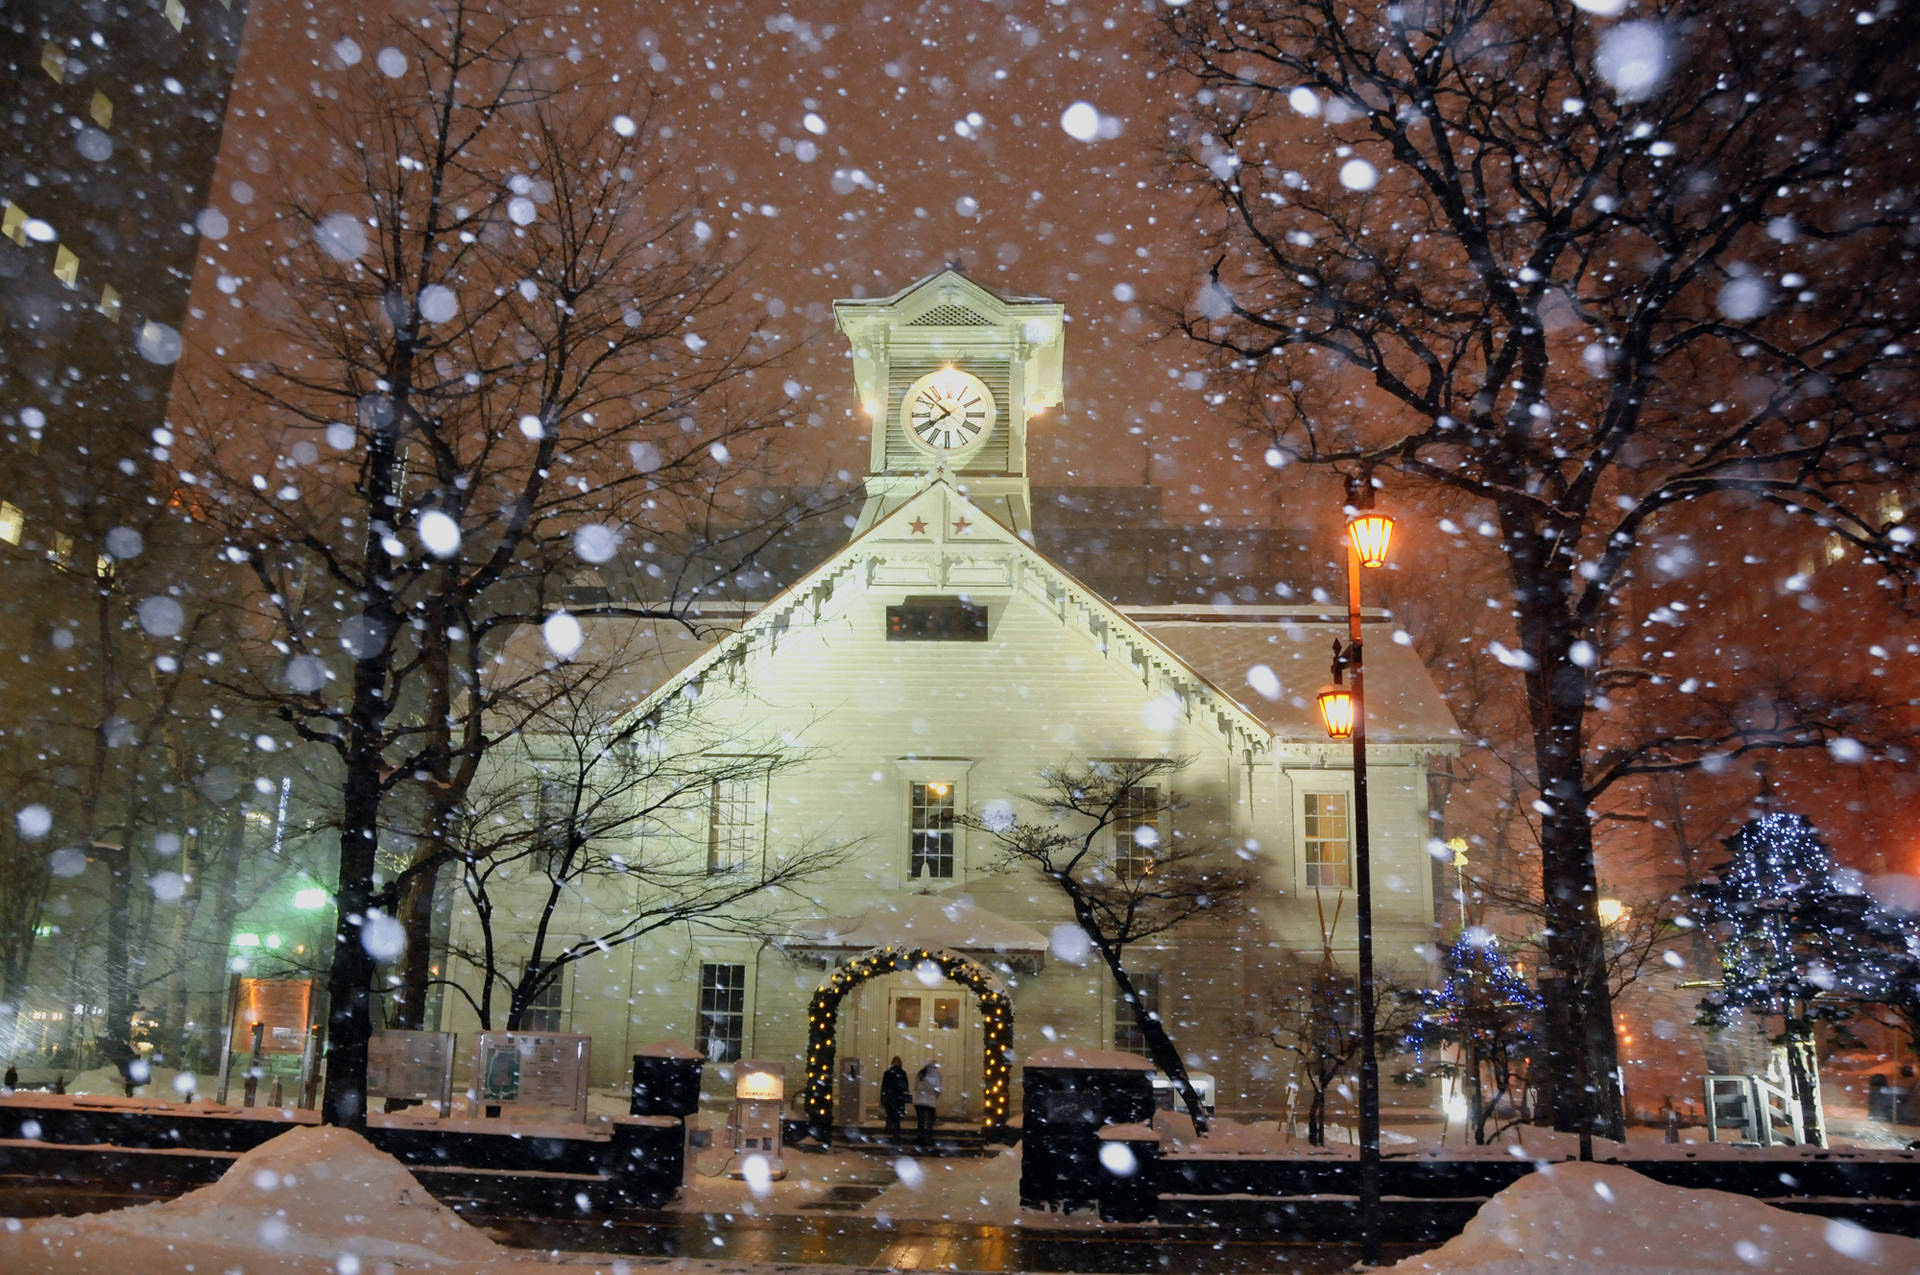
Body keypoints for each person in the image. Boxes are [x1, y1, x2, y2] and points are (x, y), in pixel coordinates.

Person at [881, 1056, 910, 1141]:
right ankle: (896, 1134)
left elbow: (884, 1087)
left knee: (889, 1115)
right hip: (898, 1099)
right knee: (897, 1118)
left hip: (889, 1098)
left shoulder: (887, 1073)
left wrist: (883, 1098)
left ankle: (888, 1130)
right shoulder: (902, 1073)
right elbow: (905, 1087)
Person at [913, 1060, 941, 1147]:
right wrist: (934, 1094)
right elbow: (938, 1089)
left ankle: (920, 1138)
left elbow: (916, 1087)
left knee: (921, 1121)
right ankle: (928, 1138)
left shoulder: (920, 1074)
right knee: (930, 1122)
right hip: (930, 1102)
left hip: (920, 1101)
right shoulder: (936, 1075)